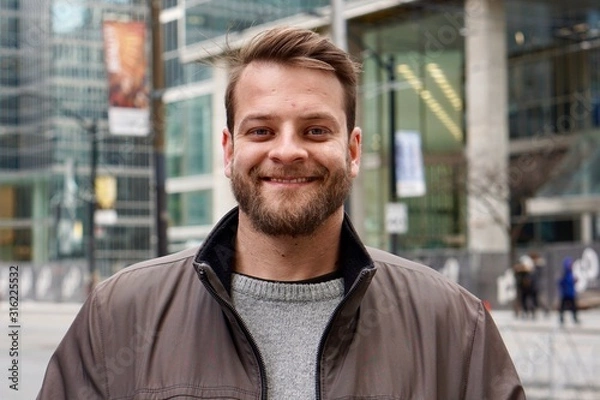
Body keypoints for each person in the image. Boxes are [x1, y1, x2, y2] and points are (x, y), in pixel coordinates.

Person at [38, 27, 525, 399]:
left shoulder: (454, 326)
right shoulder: (119, 314)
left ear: (353, 151)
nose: (288, 151)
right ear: (228, 150)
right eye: (261, 131)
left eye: (315, 130)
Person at [558, 256, 579, 325]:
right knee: (562, 308)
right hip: (565, 293)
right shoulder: (564, 274)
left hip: (571, 293)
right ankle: (561, 318)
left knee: (573, 307)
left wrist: (575, 281)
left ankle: (575, 318)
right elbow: (561, 282)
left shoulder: (571, 273)